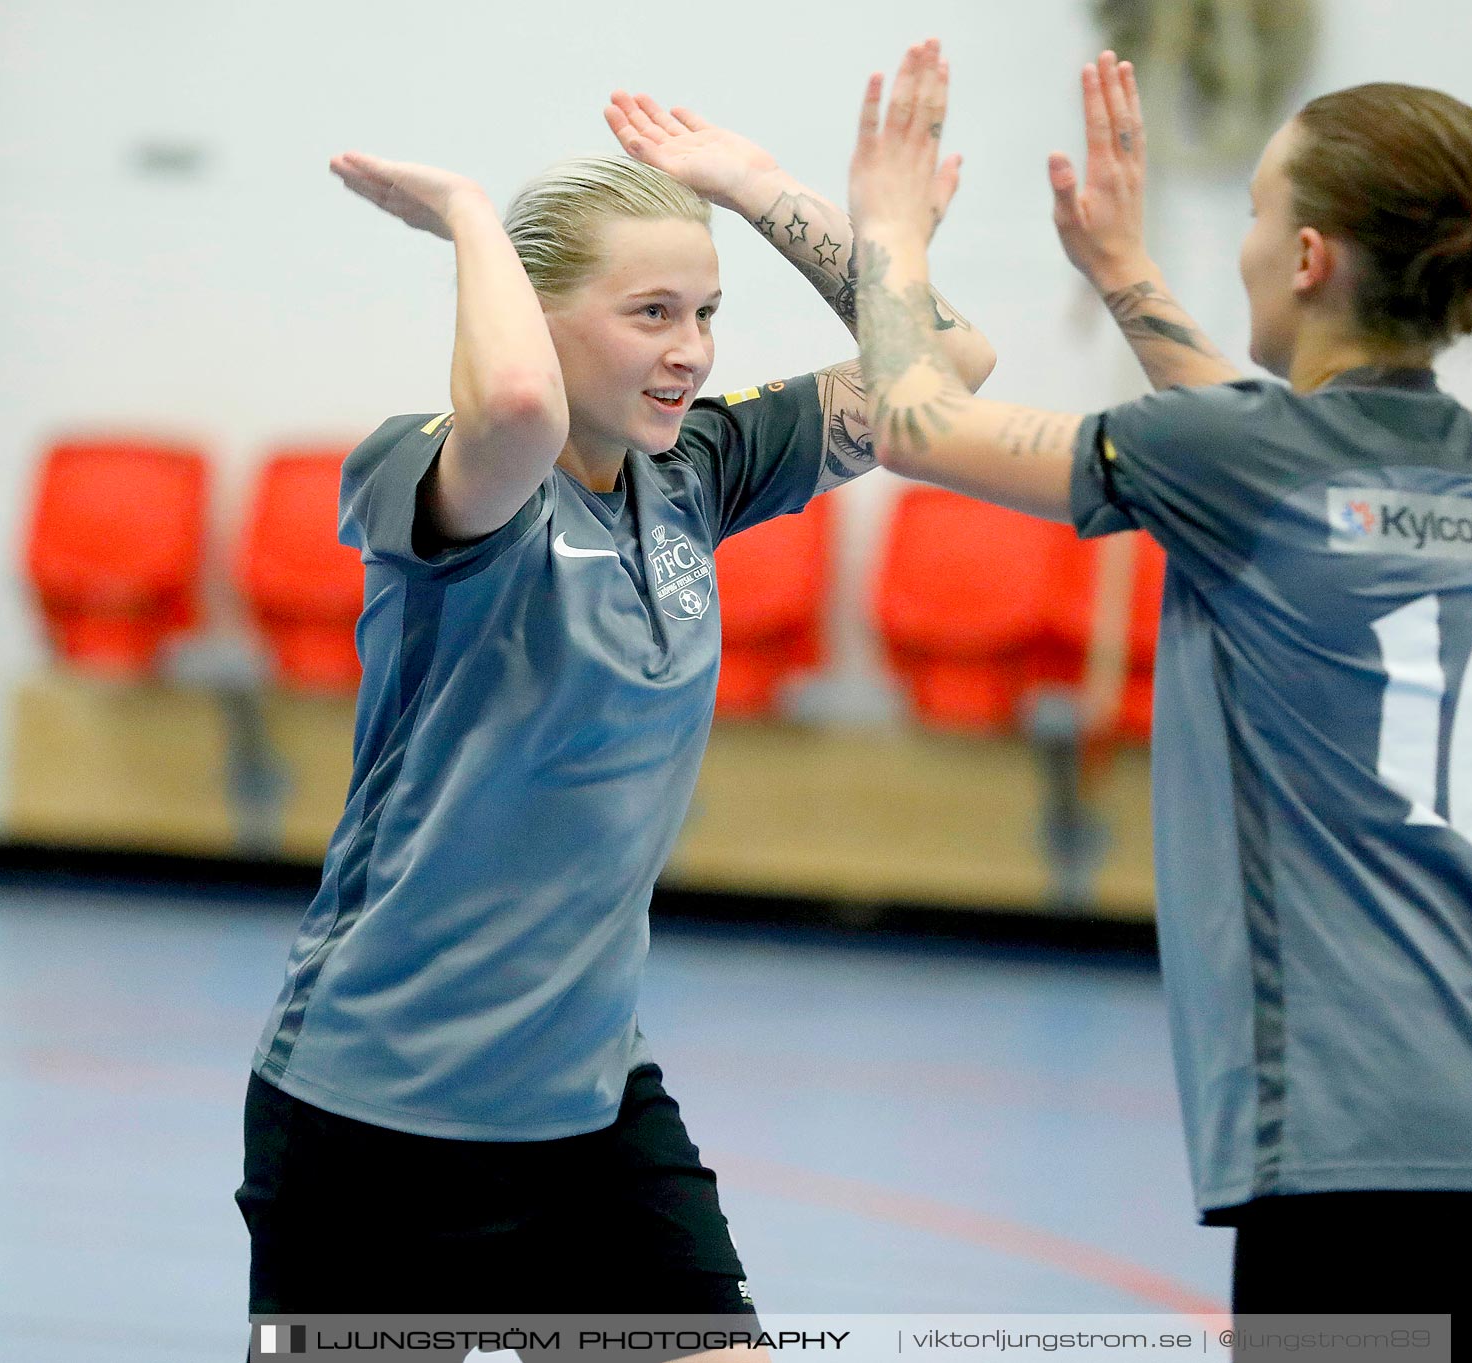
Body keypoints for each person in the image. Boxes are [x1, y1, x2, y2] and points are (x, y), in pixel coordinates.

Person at [847, 46, 1472, 1360]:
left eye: (1257, 215)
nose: (1245, 244)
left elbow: (915, 421)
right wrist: (1123, 270)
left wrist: (887, 236)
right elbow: (1261, 444)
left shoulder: (1252, 459)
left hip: (1363, 1165)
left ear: (1308, 258)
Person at [235, 41, 994, 1325]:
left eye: (704, 313)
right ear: (534, 315)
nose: (691, 350)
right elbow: (519, 407)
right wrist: (472, 215)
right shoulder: (433, 472)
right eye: (651, 314)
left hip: (588, 1107)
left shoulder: (694, 470)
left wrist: (761, 193)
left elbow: (946, 370)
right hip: (379, 1109)